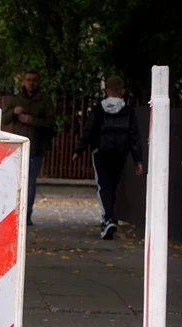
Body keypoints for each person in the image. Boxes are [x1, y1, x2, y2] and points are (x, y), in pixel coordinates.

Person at [73, 76, 144, 239]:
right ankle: (109, 219)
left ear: (106, 91)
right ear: (123, 92)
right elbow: (134, 137)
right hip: (120, 153)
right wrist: (138, 159)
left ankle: (108, 220)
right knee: (112, 187)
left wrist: (79, 150)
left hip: (101, 152)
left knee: (103, 186)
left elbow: (89, 131)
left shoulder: (99, 109)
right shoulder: (128, 111)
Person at [2, 70, 55, 226]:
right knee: (15, 182)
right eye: (28, 80)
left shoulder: (45, 100)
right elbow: (4, 119)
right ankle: (13, 213)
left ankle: (26, 216)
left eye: (34, 80)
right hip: (17, 148)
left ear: (38, 82)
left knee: (30, 183)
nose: (31, 82)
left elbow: (51, 122)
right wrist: (14, 111)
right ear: (24, 82)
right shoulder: (16, 99)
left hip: (35, 147)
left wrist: (32, 120)